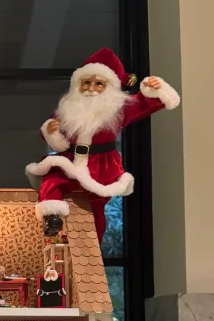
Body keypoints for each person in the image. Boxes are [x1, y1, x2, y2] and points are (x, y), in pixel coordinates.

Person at [25, 48, 180, 242]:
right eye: (86, 83)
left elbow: (144, 103)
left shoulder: (119, 110)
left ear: (109, 87)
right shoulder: (67, 109)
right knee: (53, 180)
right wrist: (50, 131)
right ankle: (52, 217)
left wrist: (154, 88)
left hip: (102, 165)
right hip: (70, 159)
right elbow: (49, 131)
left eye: (98, 84)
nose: (91, 88)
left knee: (95, 206)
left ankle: (93, 243)